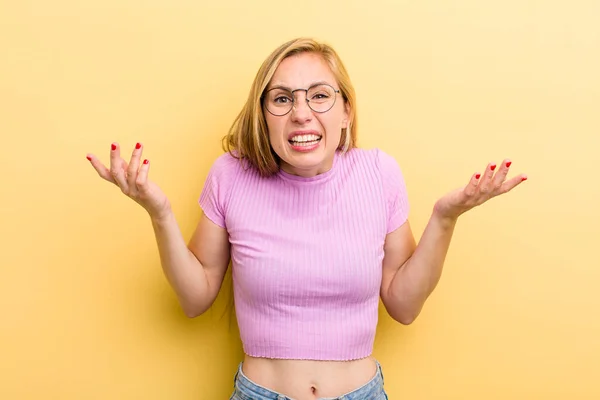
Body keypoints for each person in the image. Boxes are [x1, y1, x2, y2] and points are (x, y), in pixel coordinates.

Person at [86, 38, 527, 400]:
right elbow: (195, 297)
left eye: (320, 95)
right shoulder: (231, 175)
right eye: (282, 99)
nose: (301, 112)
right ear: (263, 114)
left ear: (346, 111)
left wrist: (444, 217)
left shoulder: (379, 173)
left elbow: (404, 305)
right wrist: (159, 213)